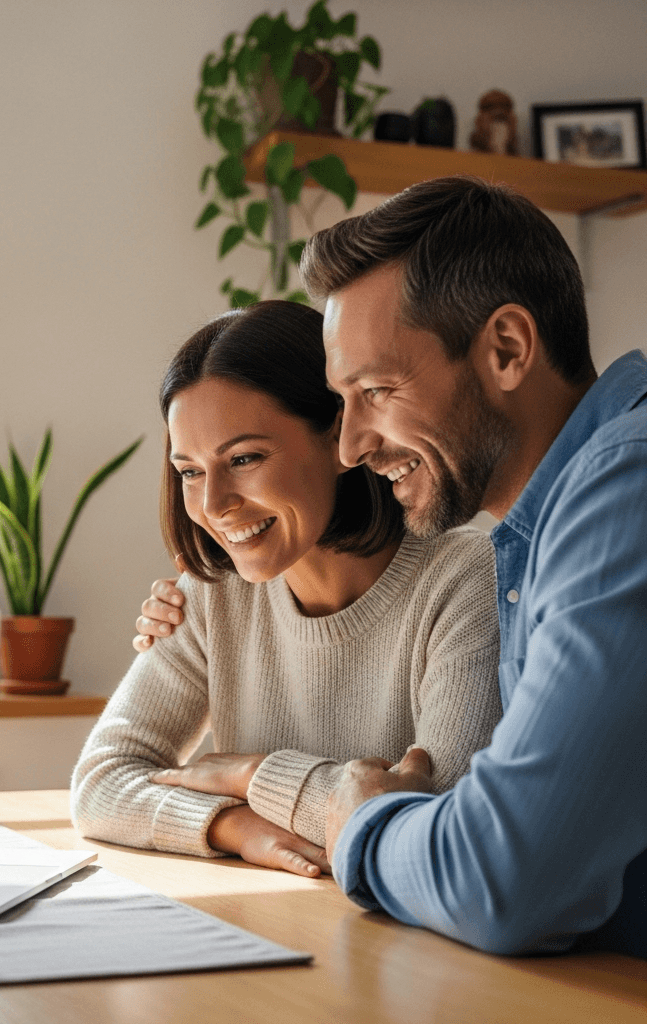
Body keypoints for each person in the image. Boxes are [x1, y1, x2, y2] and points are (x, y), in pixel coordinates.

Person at [297, 174, 646, 958]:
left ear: (507, 350)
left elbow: (507, 879)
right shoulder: (541, 528)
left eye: (378, 390)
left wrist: (362, 821)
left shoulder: (628, 495)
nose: (351, 447)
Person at [71, 301, 502, 877]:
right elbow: (101, 781)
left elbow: (438, 819)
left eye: (244, 458)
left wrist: (255, 776)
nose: (213, 504)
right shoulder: (212, 595)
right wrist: (232, 825)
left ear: (339, 438)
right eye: (190, 471)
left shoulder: (466, 580)